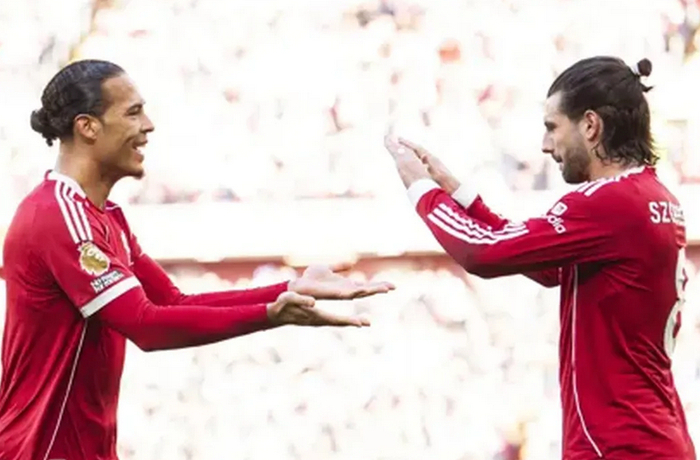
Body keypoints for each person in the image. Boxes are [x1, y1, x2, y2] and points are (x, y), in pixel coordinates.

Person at [0, 59, 394, 460]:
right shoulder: (58, 216)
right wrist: (271, 315)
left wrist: (289, 288)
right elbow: (146, 326)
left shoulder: (105, 217)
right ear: (88, 127)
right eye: (133, 113)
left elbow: (171, 302)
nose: (149, 125)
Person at [384, 56, 696, 460]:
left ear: (590, 125)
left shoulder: (608, 202)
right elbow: (549, 267)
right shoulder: (653, 197)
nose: (546, 145)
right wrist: (460, 195)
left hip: (618, 445)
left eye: (552, 127)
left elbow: (482, 252)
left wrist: (421, 190)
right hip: (654, 436)